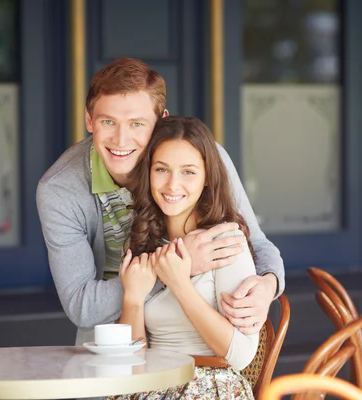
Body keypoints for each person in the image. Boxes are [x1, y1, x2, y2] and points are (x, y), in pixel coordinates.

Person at [36, 58, 285, 345]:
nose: (120, 140)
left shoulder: (201, 158)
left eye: (137, 124)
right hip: (114, 347)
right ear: (89, 120)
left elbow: (259, 245)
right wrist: (177, 264)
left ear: (161, 121)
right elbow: (81, 307)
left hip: (192, 338)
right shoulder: (59, 190)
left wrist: (268, 285)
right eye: (108, 122)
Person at [116, 116, 258, 399]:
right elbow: (130, 365)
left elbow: (241, 356)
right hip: (152, 386)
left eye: (189, 172)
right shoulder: (142, 244)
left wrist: (180, 284)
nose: (172, 184)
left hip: (208, 385)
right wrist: (132, 298)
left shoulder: (226, 243)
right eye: (161, 169)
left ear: (207, 179)